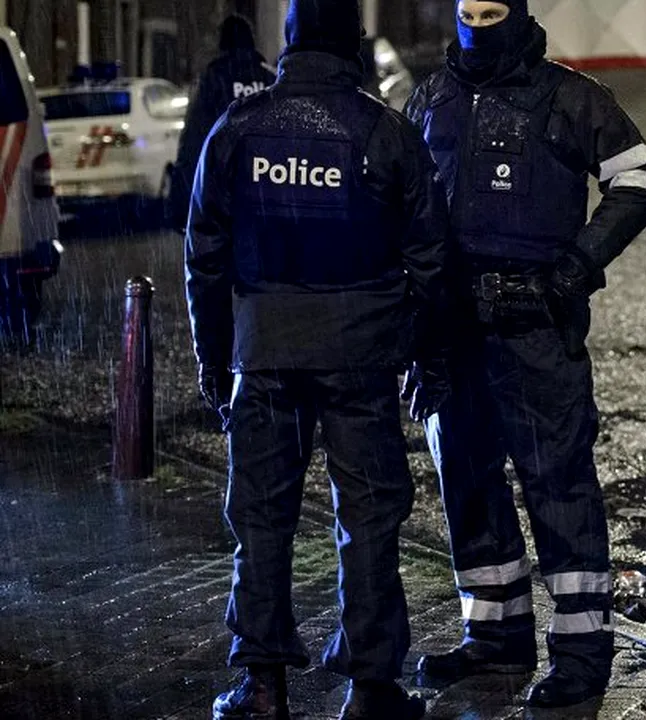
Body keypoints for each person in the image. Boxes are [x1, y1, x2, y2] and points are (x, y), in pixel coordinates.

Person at [185, 0, 451, 718]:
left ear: (291, 40)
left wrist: (215, 356)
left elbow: (204, 256)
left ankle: (262, 686)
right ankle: (370, 687)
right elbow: (431, 260)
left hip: (264, 354)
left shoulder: (236, 129)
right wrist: (417, 350)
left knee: (261, 518)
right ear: (352, 43)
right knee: (369, 518)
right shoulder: (385, 131)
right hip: (361, 354)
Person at [400, 0, 646, 708]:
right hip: (451, 332)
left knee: (559, 482)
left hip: (536, 332)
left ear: (517, 14)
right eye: (467, 11)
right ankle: (495, 637)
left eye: (493, 11)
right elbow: (397, 203)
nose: (478, 25)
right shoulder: (430, 99)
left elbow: (641, 180)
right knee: (467, 484)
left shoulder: (571, 97)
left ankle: (582, 652)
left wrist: (574, 268)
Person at [166, 14, 276, 234]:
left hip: (224, 192)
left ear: (222, 43)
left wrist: (182, 203)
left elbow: (193, 142)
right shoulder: (269, 79)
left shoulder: (213, 79)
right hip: (267, 188)